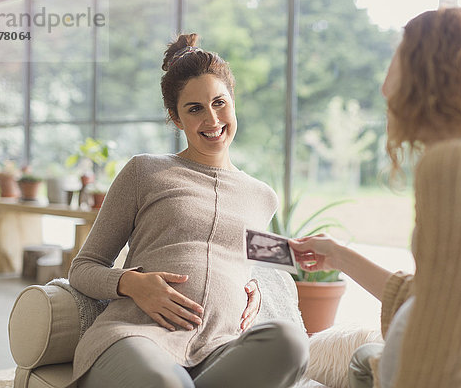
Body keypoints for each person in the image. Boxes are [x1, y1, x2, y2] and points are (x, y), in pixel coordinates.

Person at [289, 7, 461, 388]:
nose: (384, 87)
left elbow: (444, 341)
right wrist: (339, 256)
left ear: (428, 72)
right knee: (363, 357)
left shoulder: (456, 165)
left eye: (397, 59)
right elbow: (438, 296)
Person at [68, 33, 309, 388]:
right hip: (138, 337)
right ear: (176, 118)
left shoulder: (262, 196)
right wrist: (131, 283)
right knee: (167, 384)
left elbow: (247, 263)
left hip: (221, 347)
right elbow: (82, 268)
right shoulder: (143, 171)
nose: (211, 119)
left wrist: (255, 283)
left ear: (232, 102)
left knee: (290, 343)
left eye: (219, 103)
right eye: (194, 108)